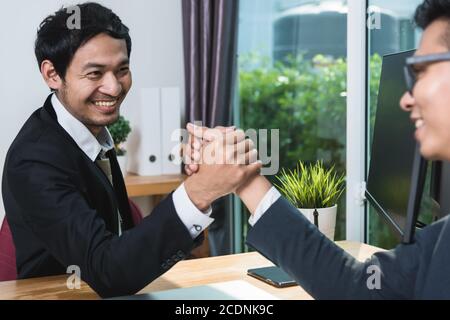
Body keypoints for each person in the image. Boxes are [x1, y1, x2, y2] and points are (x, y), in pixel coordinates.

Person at [186, 0, 450, 299]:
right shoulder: (442, 240)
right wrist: (245, 180)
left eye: (422, 70)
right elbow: (355, 287)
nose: (406, 99)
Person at [1, 2, 260, 298]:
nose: (113, 87)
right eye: (95, 73)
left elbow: (125, 245)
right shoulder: (34, 161)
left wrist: (204, 185)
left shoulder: (90, 134)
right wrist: (197, 192)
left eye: (122, 69)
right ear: (52, 74)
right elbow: (107, 271)